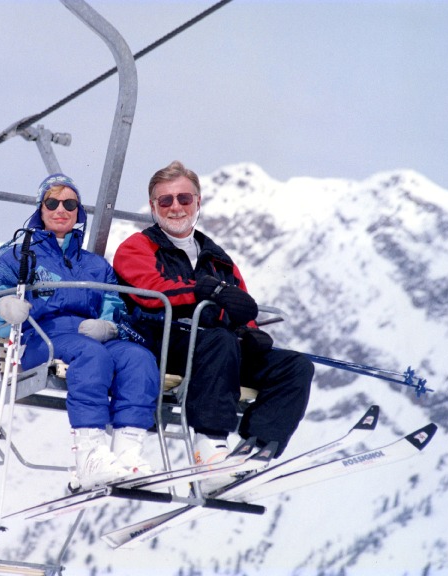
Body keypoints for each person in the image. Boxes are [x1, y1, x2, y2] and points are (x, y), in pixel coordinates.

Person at [113, 160, 313, 492]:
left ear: (198, 202)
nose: (176, 207)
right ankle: (209, 448)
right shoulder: (138, 247)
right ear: (153, 207)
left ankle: (255, 449)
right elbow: (150, 293)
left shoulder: (217, 259)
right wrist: (200, 292)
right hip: (162, 340)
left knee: (294, 366)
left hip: (216, 347)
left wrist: (249, 331)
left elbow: (240, 304)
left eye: (184, 199)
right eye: (165, 201)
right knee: (220, 341)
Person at [0, 173, 160, 491]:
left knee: (137, 358)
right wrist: (7, 309)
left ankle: (127, 453)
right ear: (40, 208)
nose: (61, 209)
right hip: (39, 337)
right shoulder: (17, 254)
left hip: (89, 335)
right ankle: (90, 456)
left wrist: (111, 327)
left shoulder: (94, 265)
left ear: (79, 211)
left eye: (70, 203)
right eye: (52, 202)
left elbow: (115, 306)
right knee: (91, 355)